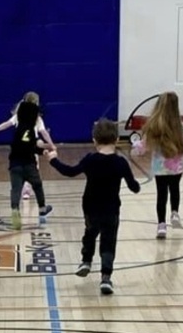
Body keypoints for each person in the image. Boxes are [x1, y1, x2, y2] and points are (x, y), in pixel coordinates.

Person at [47, 118, 140, 295]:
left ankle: (86, 261)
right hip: (111, 208)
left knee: (90, 233)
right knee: (108, 241)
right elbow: (133, 187)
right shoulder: (120, 163)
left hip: (90, 206)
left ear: (94, 140)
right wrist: (137, 185)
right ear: (117, 139)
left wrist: (53, 160)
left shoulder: (90, 159)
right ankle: (106, 278)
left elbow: (70, 171)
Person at [130, 92, 183, 238]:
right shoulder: (181, 127)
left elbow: (145, 145)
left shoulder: (155, 125)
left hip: (160, 168)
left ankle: (161, 225)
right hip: (177, 167)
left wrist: (136, 148)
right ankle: (175, 213)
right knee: (175, 189)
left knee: (161, 194)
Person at [0, 91, 56, 202]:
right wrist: (52, 144)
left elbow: (6, 124)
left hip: (20, 146)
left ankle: (21, 193)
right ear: (36, 103)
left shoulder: (19, 116)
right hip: (30, 146)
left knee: (20, 167)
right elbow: (44, 132)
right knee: (33, 167)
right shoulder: (36, 118)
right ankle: (29, 192)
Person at [0, 100, 50, 231]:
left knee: (16, 189)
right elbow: (32, 147)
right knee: (37, 185)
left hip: (15, 165)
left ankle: (15, 209)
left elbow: (17, 146)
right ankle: (42, 208)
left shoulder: (18, 130)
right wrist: (43, 151)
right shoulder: (30, 131)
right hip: (29, 164)